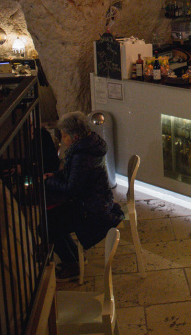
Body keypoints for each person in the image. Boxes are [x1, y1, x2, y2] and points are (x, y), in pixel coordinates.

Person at [44, 112, 123, 280]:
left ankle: (72, 265)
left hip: (92, 209)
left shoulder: (82, 154)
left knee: (46, 227)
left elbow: (72, 188)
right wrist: (55, 176)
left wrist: (49, 181)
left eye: (64, 135)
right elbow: (75, 175)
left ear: (75, 137)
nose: (62, 138)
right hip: (97, 202)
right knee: (51, 219)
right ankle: (74, 257)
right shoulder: (89, 145)